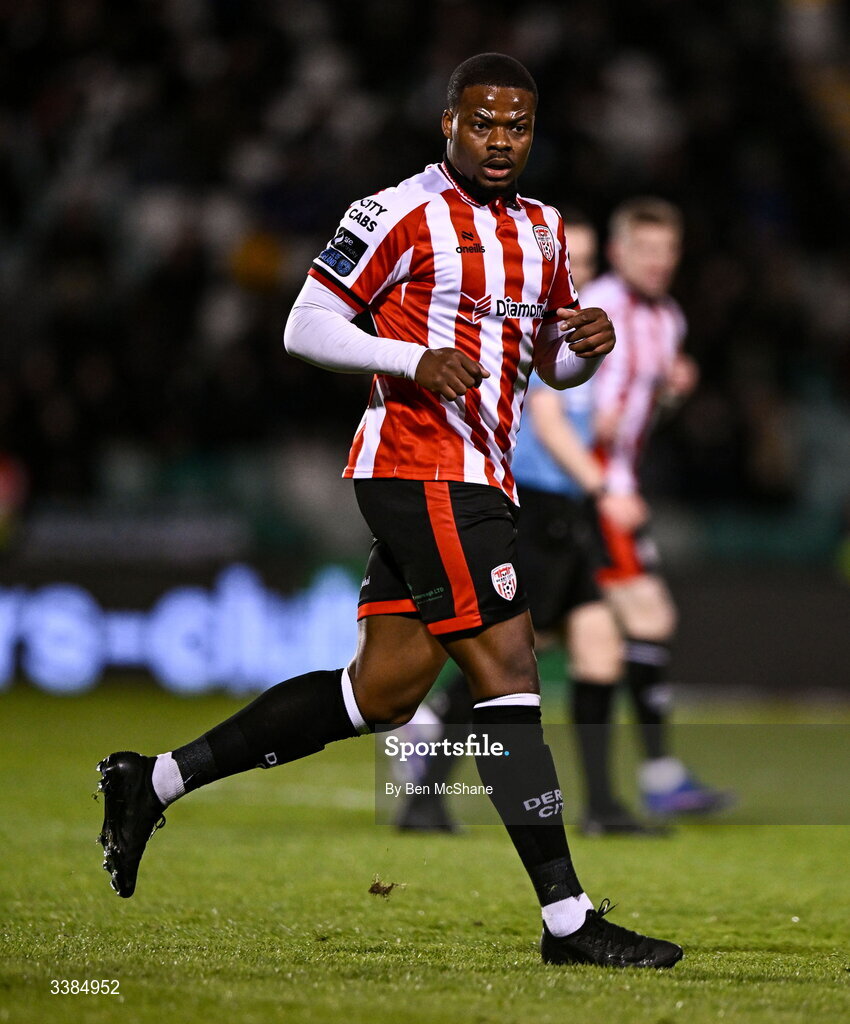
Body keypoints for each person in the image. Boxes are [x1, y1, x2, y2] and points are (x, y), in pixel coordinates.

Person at [96, 53, 682, 969]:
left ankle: (153, 781)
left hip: (481, 474)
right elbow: (304, 322)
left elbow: (550, 360)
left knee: (377, 693)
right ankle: (568, 920)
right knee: (509, 672)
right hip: (420, 468)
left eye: (518, 125)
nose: (500, 140)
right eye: (483, 122)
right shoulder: (395, 211)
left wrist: (589, 352)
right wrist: (410, 358)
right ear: (447, 122)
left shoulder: (543, 229)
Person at [396, 214, 663, 837]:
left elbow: (584, 421)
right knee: (499, 663)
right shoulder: (538, 324)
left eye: (592, 261)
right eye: (580, 258)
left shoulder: (584, 336)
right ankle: (424, 793)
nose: (585, 271)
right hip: (538, 509)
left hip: (570, 514)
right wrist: (601, 486)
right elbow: (544, 419)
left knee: (600, 648)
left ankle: (601, 807)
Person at [582, 197, 732, 817]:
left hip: (615, 487)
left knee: (548, 633)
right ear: (619, 253)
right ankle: (658, 776)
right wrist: (603, 482)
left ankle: (429, 732)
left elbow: (639, 415)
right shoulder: (598, 308)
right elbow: (559, 402)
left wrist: (669, 394)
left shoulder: (668, 319)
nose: (659, 262)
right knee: (642, 618)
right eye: (646, 249)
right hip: (586, 488)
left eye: (668, 249)